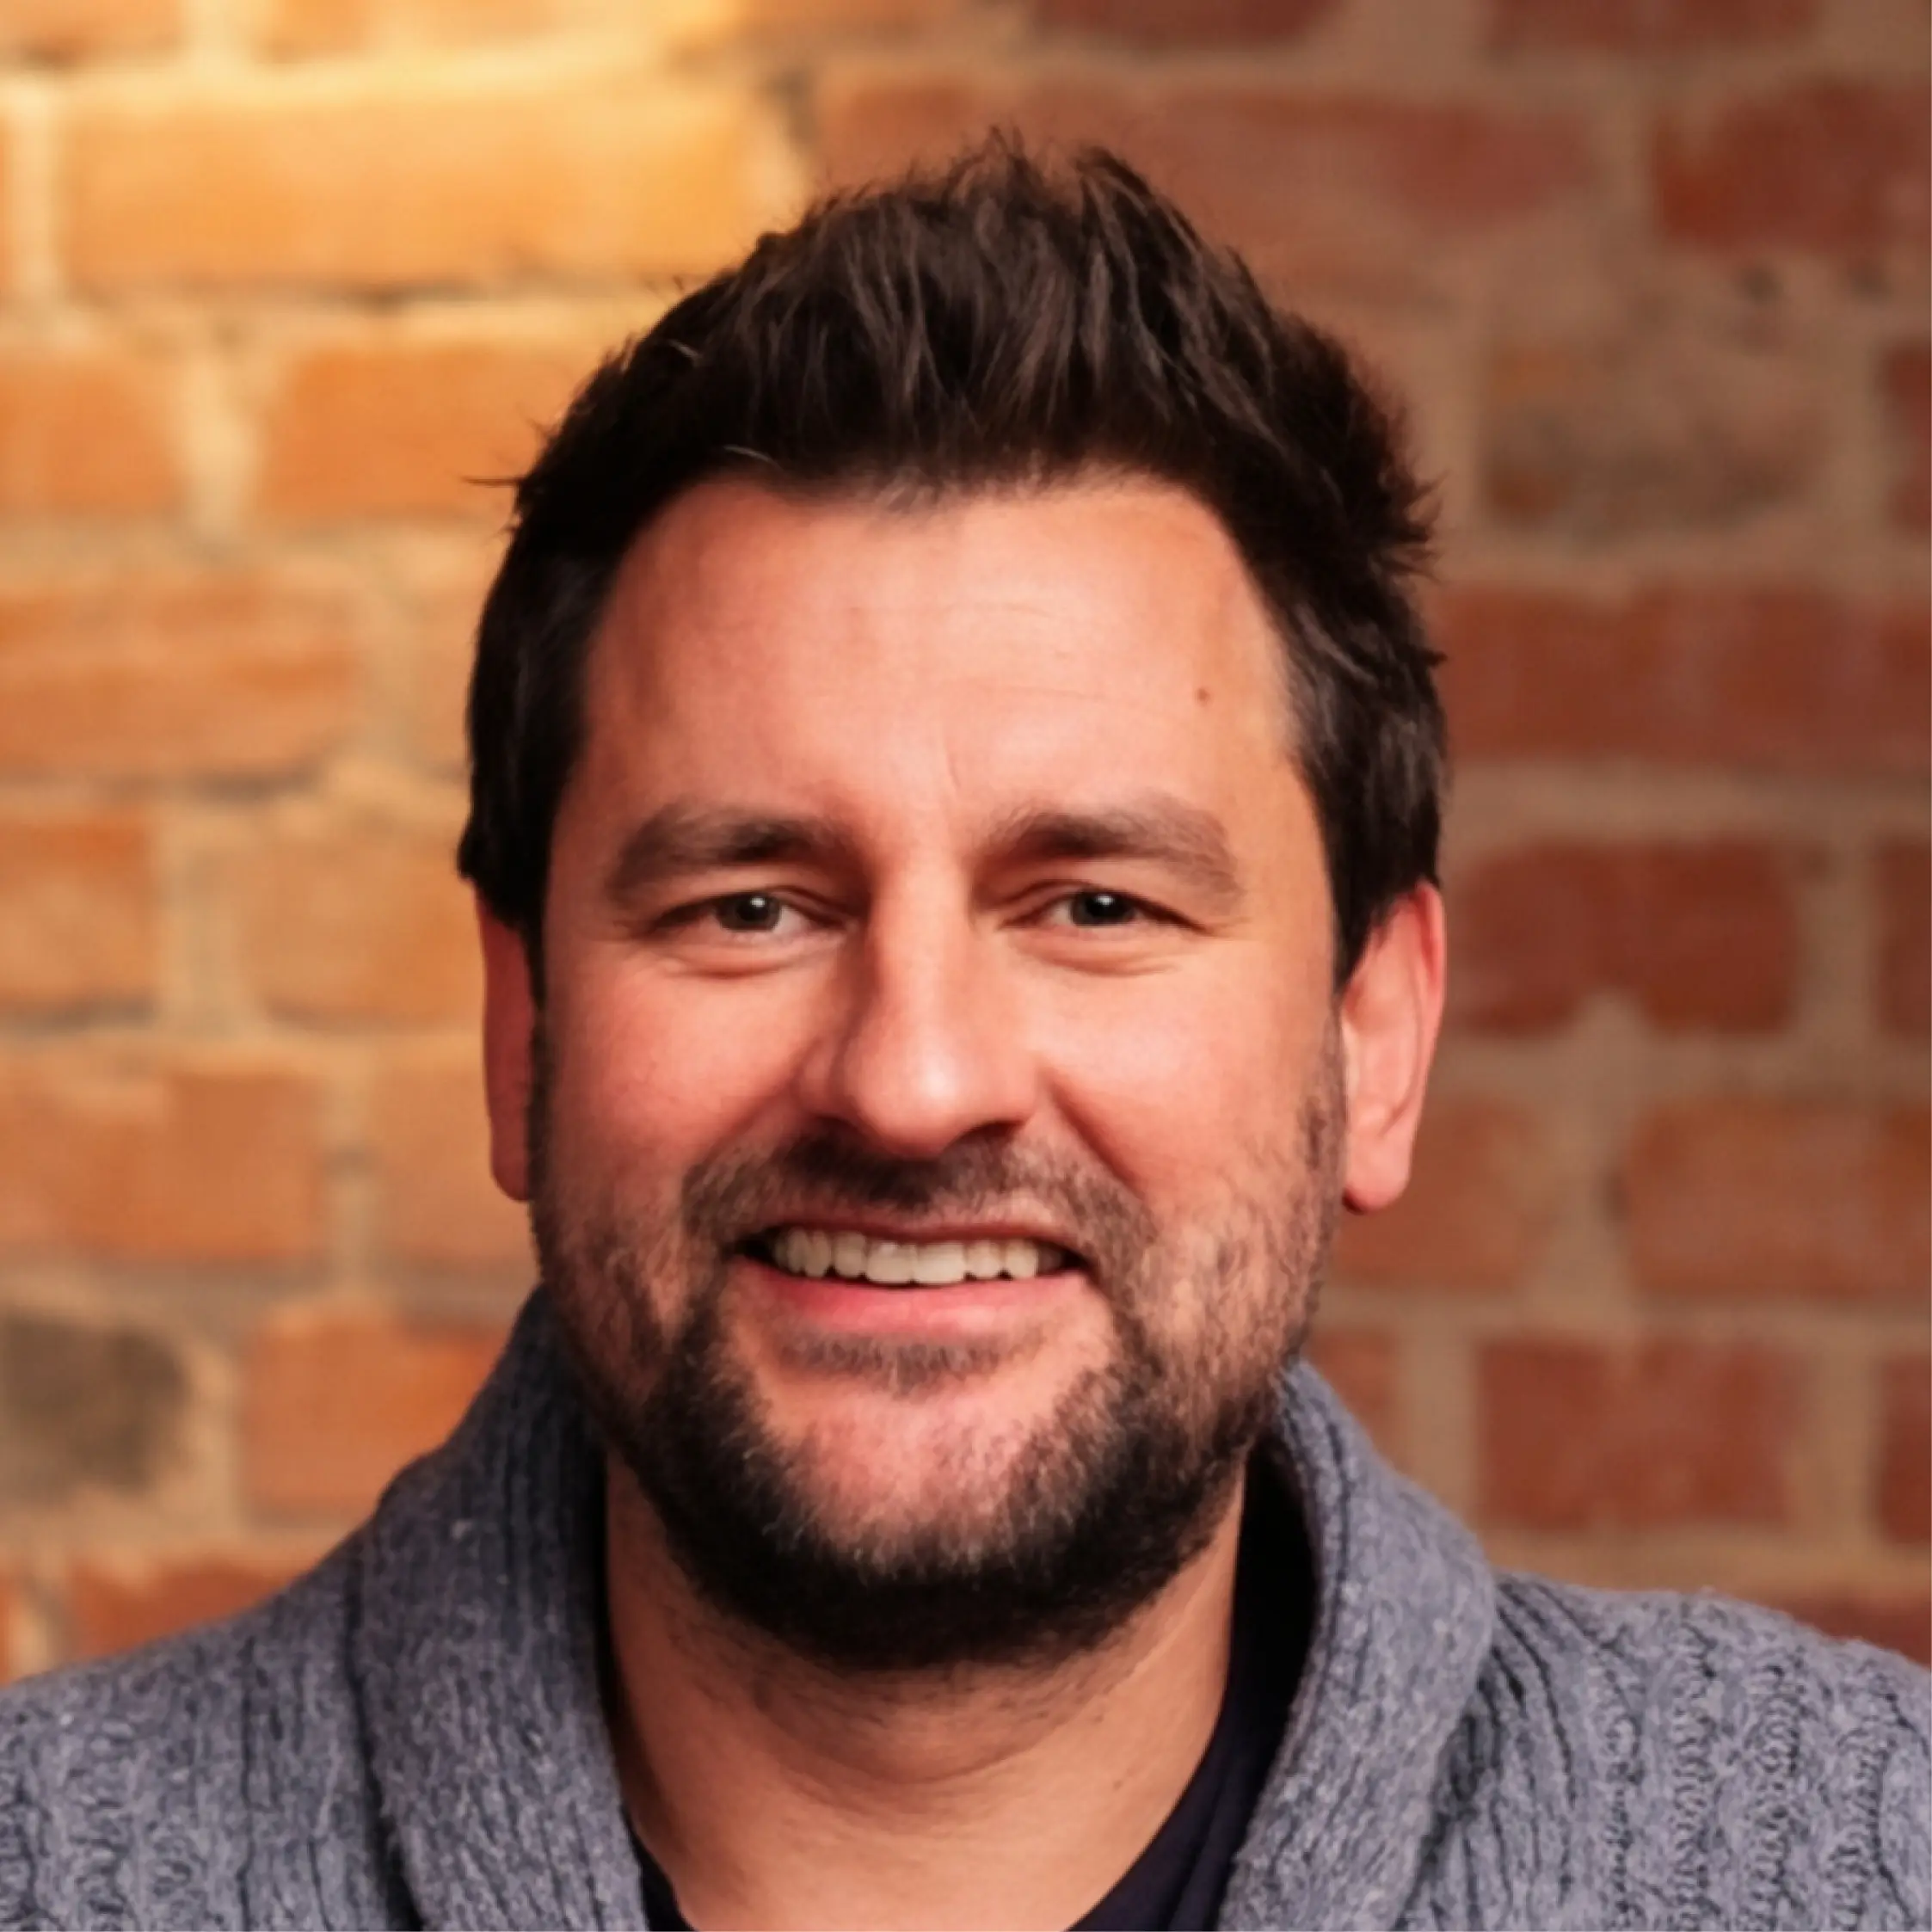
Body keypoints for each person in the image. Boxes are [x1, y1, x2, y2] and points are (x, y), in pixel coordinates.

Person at [1, 140, 1925, 1932]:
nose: (913, 1084)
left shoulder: (1848, 1860)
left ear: (1379, 1037)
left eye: (1095, 906)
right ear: (524, 1026)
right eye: (751, 906)